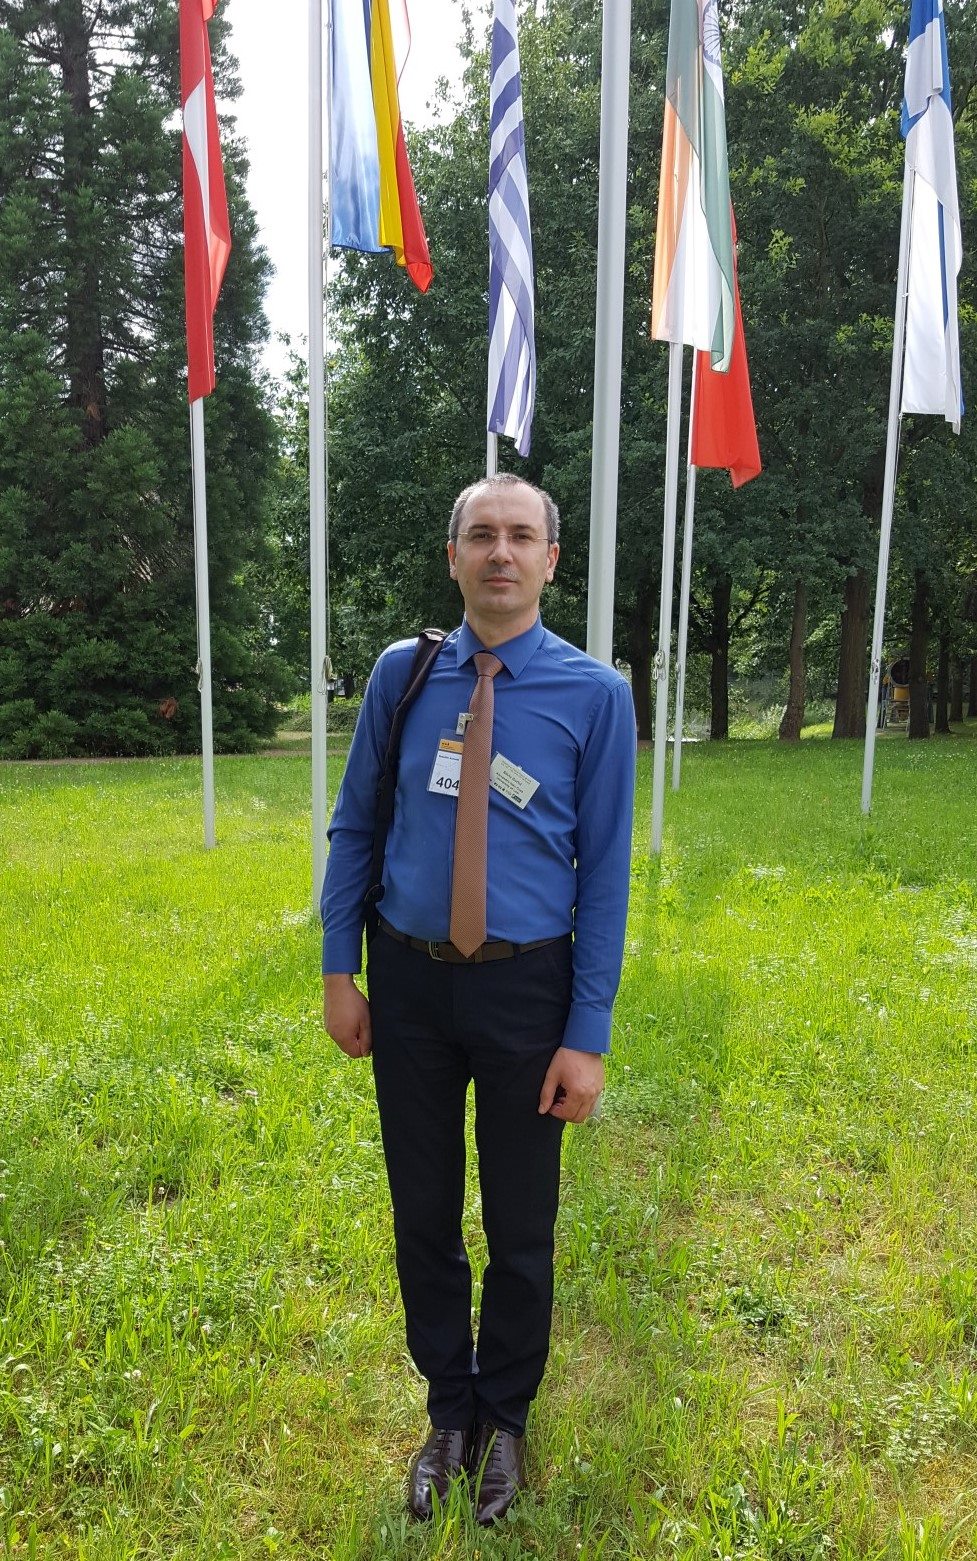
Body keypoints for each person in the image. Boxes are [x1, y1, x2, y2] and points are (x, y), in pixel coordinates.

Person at [321, 473, 636, 1525]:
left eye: (521, 536)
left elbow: (605, 874)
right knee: (422, 1212)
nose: (501, 552)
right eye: (482, 535)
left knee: (519, 1220)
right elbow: (354, 827)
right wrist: (339, 968)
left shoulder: (594, 694)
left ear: (551, 560)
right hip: (408, 981)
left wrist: (585, 1033)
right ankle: (446, 1411)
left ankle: (504, 1416)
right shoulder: (401, 675)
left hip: (526, 990)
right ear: (453, 555)